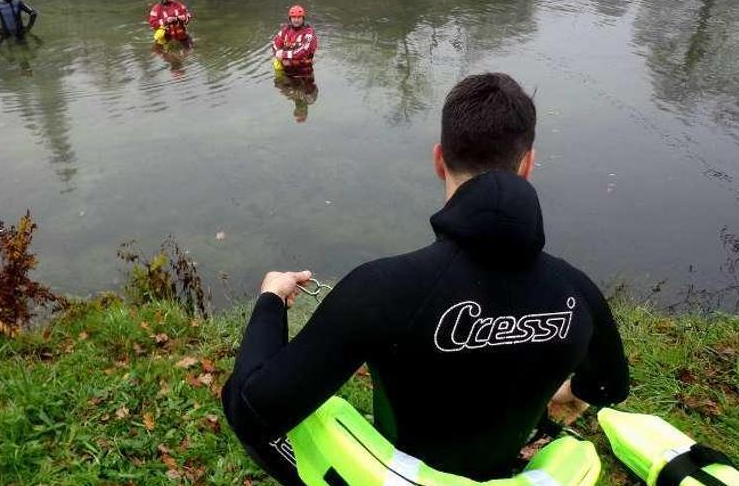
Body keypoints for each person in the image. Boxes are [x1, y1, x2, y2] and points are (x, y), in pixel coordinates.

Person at [222, 73, 630, 485]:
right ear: (527, 164)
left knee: (237, 395)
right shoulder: (578, 293)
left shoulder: (382, 288)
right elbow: (611, 386)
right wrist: (572, 391)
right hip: (501, 471)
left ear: (438, 160)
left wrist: (270, 301)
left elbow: (251, 411)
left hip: (395, 478)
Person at [271, 5, 317, 78]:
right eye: (294, 17)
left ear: (303, 18)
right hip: (286, 70)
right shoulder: (285, 30)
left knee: (307, 89)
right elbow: (275, 43)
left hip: (304, 71)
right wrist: (277, 53)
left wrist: (283, 55)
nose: (296, 20)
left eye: (299, 17)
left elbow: (304, 51)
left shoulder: (309, 33)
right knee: (280, 87)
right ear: (290, 18)